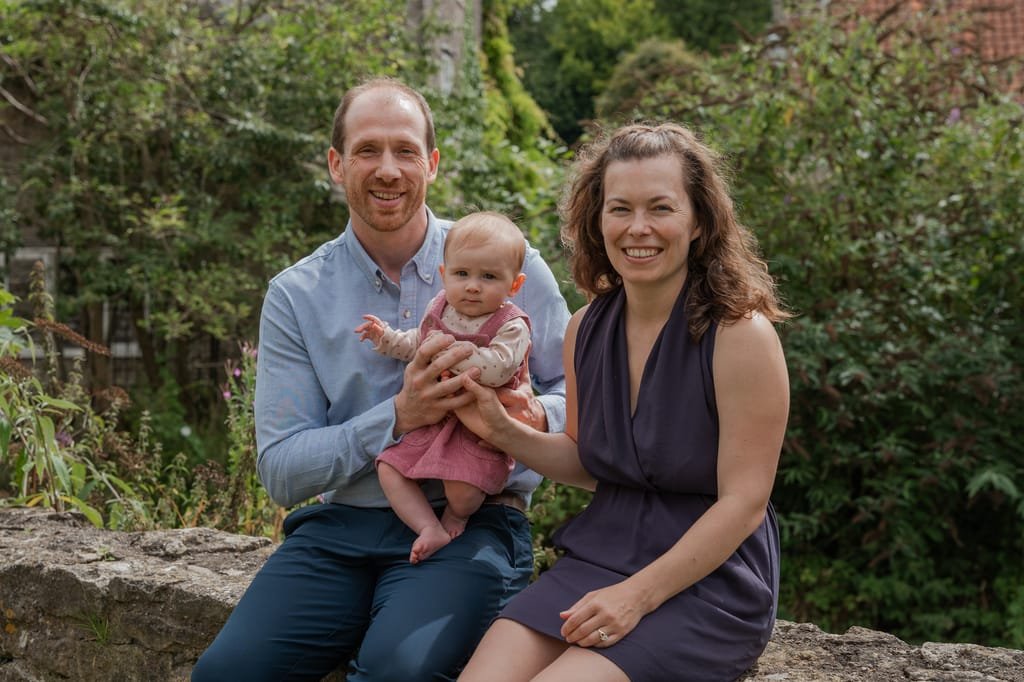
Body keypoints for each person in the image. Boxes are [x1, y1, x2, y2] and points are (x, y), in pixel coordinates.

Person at [191, 77, 570, 681]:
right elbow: (283, 471)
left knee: (399, 673)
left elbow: (580, 397)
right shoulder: (296, 295)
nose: (388, 169)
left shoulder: (507, 264)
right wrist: (397, 417)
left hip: (472, 523)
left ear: (433, 164)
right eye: (368, 150)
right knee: (227, 674)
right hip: (340, 531)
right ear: (337, 166)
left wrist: (521, 418)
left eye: (405, 150)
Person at [455, 122, 791, 682]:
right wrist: (500, 429)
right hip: (601, 556)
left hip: (708, 581)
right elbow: (589, 462)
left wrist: (635, 597)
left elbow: (745, 502)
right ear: (597, 219)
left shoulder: (742, 337)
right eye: (620, 209)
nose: (639, 228)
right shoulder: (584, 329)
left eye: (660, 208)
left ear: (699, 221)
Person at [356, 211, 532, 564]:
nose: (472, 285)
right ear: (444, 275)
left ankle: (457, 516)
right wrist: (386, 338)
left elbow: (497, 369)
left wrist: (445, 354)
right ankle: (427, 527)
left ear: (514, 285)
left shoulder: (512, 325)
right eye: (462, 274)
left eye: (489, 277)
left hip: (478, 428)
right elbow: (416, 343)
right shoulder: (441, 308)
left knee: (463, 492)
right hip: (433, 421)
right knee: (389, 468)